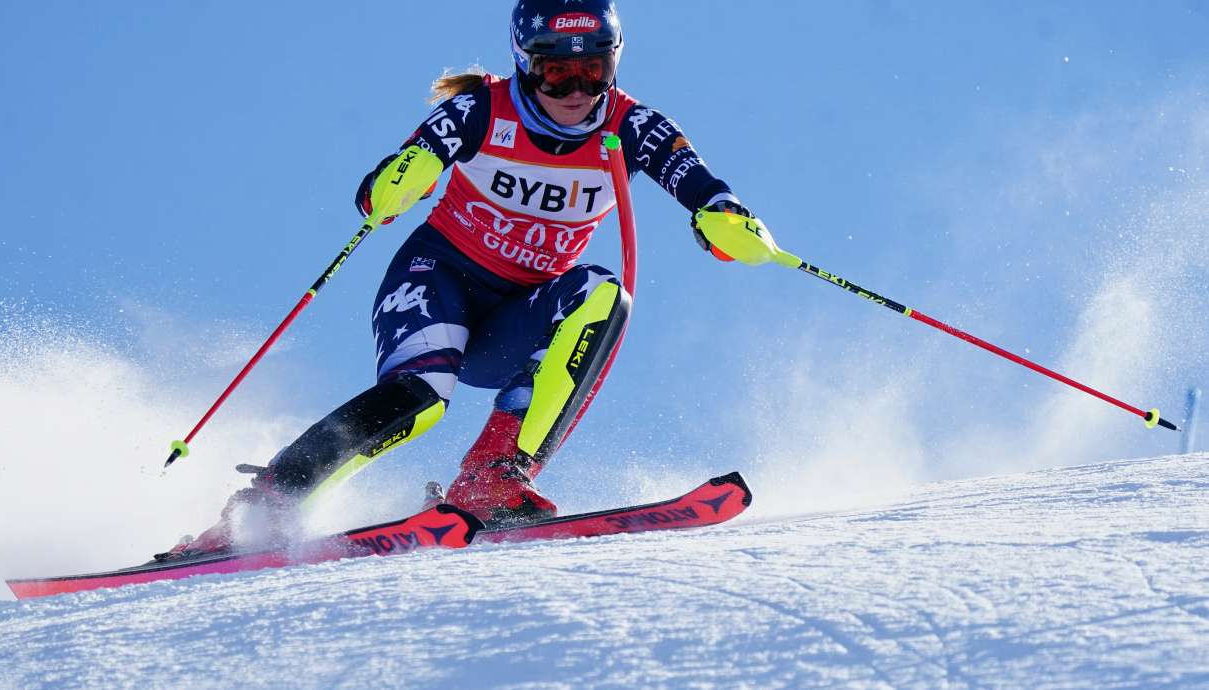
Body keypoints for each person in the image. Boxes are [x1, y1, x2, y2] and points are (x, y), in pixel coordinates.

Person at [160, 0, 785, 558]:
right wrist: (401, 180)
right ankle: (265, 507)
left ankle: (493, 478)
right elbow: (381, 190)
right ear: (525, 63)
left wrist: (727, 222)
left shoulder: (631, 125)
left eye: (593, 70)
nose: (576, 89)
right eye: (556, 71)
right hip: (440, 280)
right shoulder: (482, 109)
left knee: (603, 294)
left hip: (519, 316)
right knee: (422, 397)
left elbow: (702, 186)